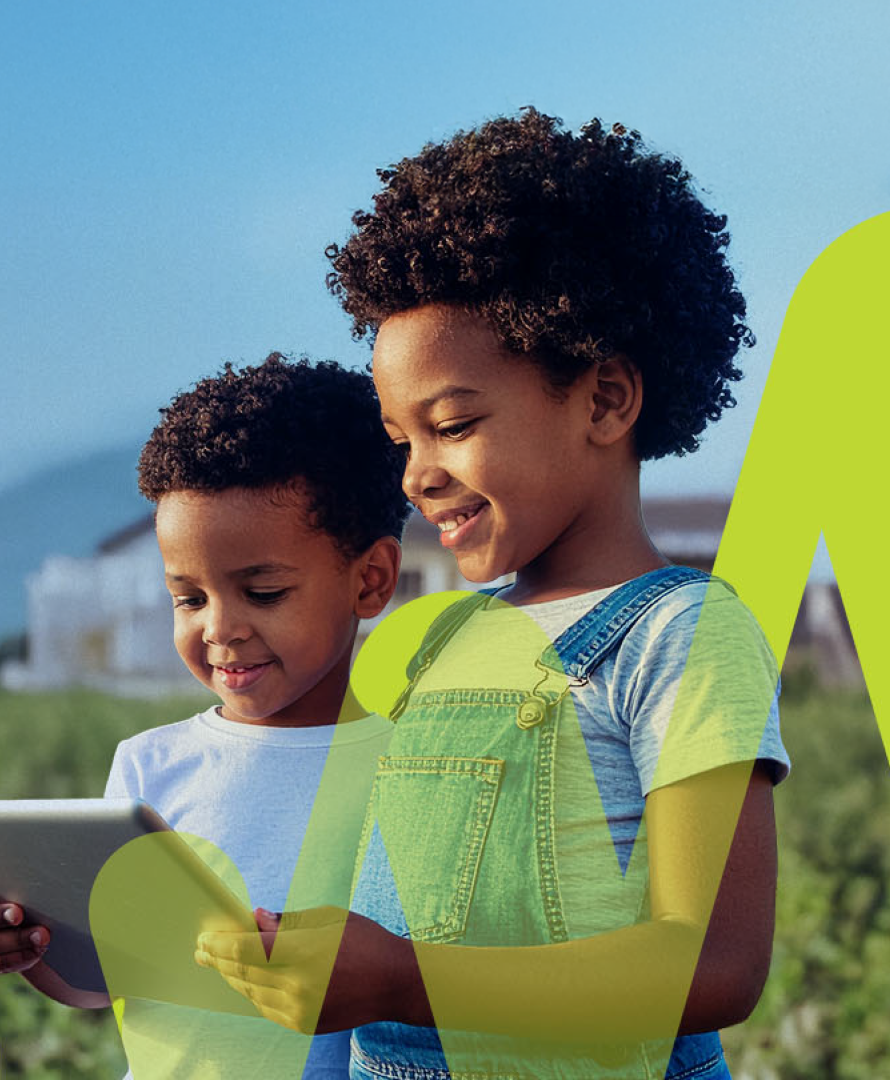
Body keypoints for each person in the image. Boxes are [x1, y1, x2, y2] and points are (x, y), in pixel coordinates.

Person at [192, 109, 790, 1080]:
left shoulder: (681, 633)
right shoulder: (445, 640)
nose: (417, 476)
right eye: (402, 440)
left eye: (455, 425)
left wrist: (405, 982)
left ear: (604, 400)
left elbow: (713, 966)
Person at [0, 354, 411, 1077]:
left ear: (370, 580)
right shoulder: (150, 765)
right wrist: (30, 947)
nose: (219, 629)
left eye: (263, 592)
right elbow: (107, 976)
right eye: (188, 598)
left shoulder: (411, 766)